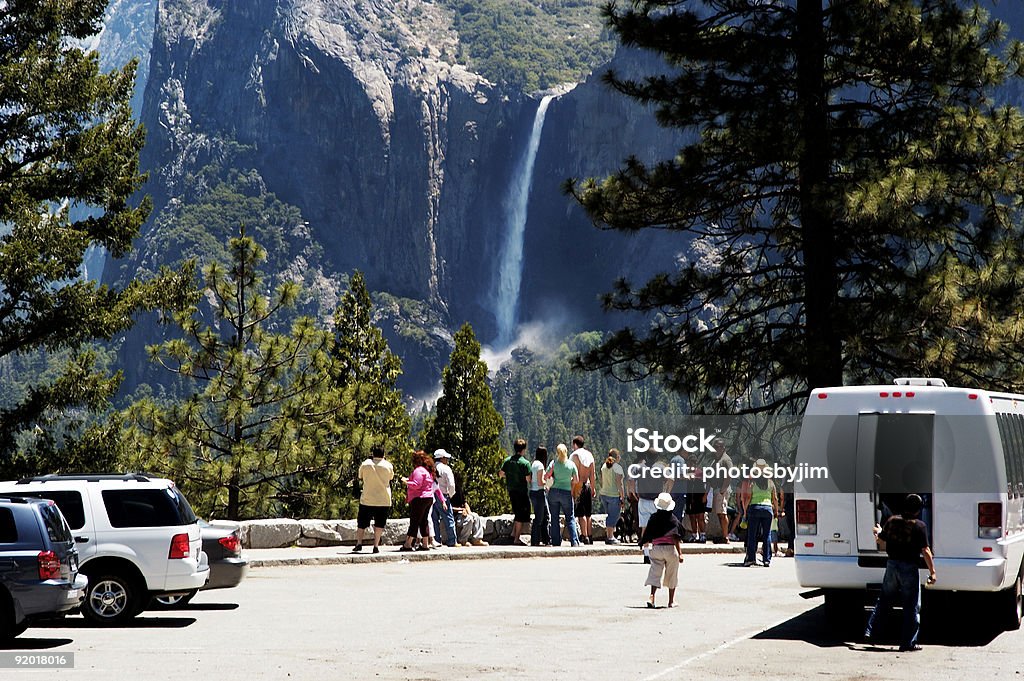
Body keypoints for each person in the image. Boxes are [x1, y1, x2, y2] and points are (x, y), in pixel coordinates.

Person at [864, 493, 937, 652]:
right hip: (909, 568)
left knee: (884, 601)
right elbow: (925, 550)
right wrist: (932, 572)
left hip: (892, 565)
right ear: (918, 510)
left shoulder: (892, 521)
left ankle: (871, 632)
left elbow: (880, 540)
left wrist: (878, 531)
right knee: (911, 606)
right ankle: (908, 643)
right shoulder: (919, 526)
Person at [640, 492, 684, 608]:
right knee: (672, 574)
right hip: (670, 549)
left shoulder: (654, 518)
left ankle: (652, 597)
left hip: (656, 549)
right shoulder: (672, 519)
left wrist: (645, 544)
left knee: (655, 572)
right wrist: (680, 554)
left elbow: (647, 533)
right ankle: (671, 601)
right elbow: (676, 537)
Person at [399, 451, 446, 552]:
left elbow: (417, 485)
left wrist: (406, 482)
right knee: (424, 521)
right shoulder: (427, 471)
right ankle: (425, 544)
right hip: (428, 498)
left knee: (415, 521)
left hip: (419, 498)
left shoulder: (418, 471)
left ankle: (408, 544)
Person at [353, 445, 394, 554]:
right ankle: (375, 545)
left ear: (373, 454)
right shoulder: (388, 465)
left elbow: (360, 476)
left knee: (361, 523)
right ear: (383, 454)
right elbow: (391, 478)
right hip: (383, 499)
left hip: (367, 498)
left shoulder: (365, 464)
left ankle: (359, 543)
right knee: (379, 524)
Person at [741, 459, 778, 567]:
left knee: (752, 535)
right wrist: (776, 510)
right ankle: (767, 559)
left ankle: (751, 559)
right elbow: (774, 498)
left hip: (755, 508)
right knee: (767, 535)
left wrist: (745, 511)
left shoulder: (753, 483)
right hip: (767, 509)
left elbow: (748, 497)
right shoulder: (771, 483)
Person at [499, 438, 533, 545]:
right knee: (521, 515)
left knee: (517, 511)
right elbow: (528, 479)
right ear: (523, 450)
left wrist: (509, 476)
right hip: (521, 491)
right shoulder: (525, 463)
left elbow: (500, 474)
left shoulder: (507, 460)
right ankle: (517, 539)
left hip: (511, 490)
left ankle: (513, 534)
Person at [545, 443, 580, 547]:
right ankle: (574, 541)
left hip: (554, 492)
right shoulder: (571, 464)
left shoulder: (553, 463)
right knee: (570, 517)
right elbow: (576, 480)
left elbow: (546, 476)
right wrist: (570, 482)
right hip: (566, 492)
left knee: (554, 518)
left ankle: (556, 541)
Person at [570, 435, 597, 544]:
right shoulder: (589, 454)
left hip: (579, 485)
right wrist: (593, 488)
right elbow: (593, 474)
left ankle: (584, 535)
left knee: (581, 513)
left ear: (575, 444)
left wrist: (572, 489)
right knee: (588, 513)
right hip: (588, 485)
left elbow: (573, 474)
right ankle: (590, 536)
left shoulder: (575, 455)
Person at [431, 448, 458, 548]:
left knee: (434, 519)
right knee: (448, 518)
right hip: (443, 495)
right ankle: (452, 540)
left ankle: (437, 540)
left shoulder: (431, 468)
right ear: (442, 458)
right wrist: (450, 495)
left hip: (432, 495)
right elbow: (451, 485)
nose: (447, 460)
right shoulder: (446, 469)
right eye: (446, 458)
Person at [710, 438, 734, 544]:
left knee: (723, 513)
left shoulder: (726, 460)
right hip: (717, 489)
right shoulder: (716, 459)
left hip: (722, 489)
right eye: (714, 447)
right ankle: (723, 535)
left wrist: (722, 489)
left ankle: (726, 536)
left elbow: (729, 474)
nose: (715, 449)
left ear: (723, 448)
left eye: (717, 447)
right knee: (720, 513)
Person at [599, 448, 625, 544]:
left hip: (604, 493)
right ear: (617, 457)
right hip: (613, 494)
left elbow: (601, 480)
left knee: (610, 514)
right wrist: (622, 497)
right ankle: (610, 537)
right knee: (613, 516)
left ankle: (610, 535)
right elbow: (620, 484)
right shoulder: (617, 468)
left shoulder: (604, 466)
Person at [529, 446, 551, 546]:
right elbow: (540, 481)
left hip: (533, 492)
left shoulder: (533, 464)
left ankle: (545, 539)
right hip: (539, 493)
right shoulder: (540, 466)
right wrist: (548, 482)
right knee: (539, 518)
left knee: (545, 515)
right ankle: (535, 540)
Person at [683, 452, 707, 543]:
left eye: (693, 462)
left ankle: (703, 535)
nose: (691, 464)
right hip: (690, 497)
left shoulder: (700, 472)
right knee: (692, 517)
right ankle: (694, 534)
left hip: (699, 497)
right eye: (690, 462)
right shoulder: (687, 472)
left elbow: (706, 485)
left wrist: (705, 495)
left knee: (700, 517)